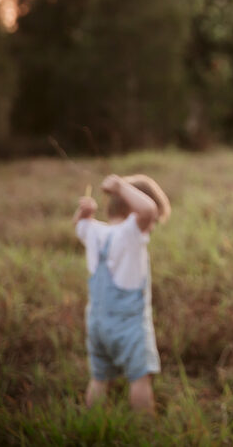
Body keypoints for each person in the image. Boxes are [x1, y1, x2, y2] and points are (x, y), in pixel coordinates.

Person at [73, 173, 171, 415]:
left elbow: (79, 225)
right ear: (134, 211)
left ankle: (92, 421)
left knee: (98, 379)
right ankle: (144, 428)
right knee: (140, 378)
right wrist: (120, 185)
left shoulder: (95, 232)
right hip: (129, 326)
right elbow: (147, 210)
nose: (151, 226)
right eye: (153, 222)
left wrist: (84, 212)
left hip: (96, 324)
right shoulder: (130, 232)